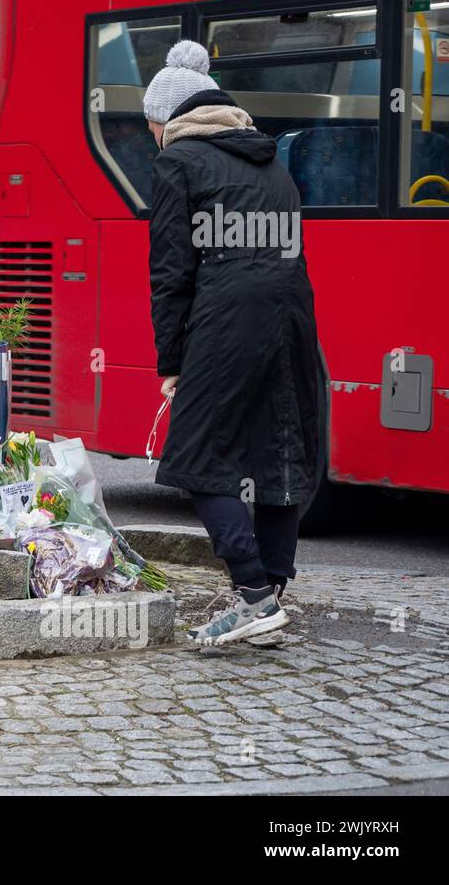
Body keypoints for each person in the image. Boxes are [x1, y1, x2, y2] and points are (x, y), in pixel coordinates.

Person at [143, 40, 323, 647]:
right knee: (281, 451)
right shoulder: (270, 161)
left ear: (169, 119)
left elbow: (172, 271)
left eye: (150, 127)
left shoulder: (179, 162)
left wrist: (171, 360)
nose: (152, 138)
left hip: (227, 315)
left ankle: (251, 593)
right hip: (292, 312)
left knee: (196, 455)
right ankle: (271, 596)